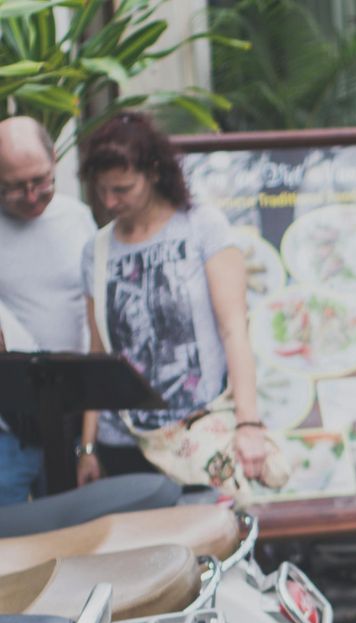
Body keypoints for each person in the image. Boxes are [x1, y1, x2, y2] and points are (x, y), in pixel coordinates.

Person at [75, 112, 268, 486]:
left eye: (123, 189)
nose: (110, 201)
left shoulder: (202, 226)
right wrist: (87, 447)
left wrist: (248, 424)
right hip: (124, 441)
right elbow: (97, 355)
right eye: (101, 191)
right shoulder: (95, 251)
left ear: (153, 173)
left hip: (197, 436)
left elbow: (234, 331)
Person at [0, 117, 95, 499]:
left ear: (55, 157)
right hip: (9, 430)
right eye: (14, 188)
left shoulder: (78, 219)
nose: (32, 195)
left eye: (41, 181)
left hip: (75, 416)